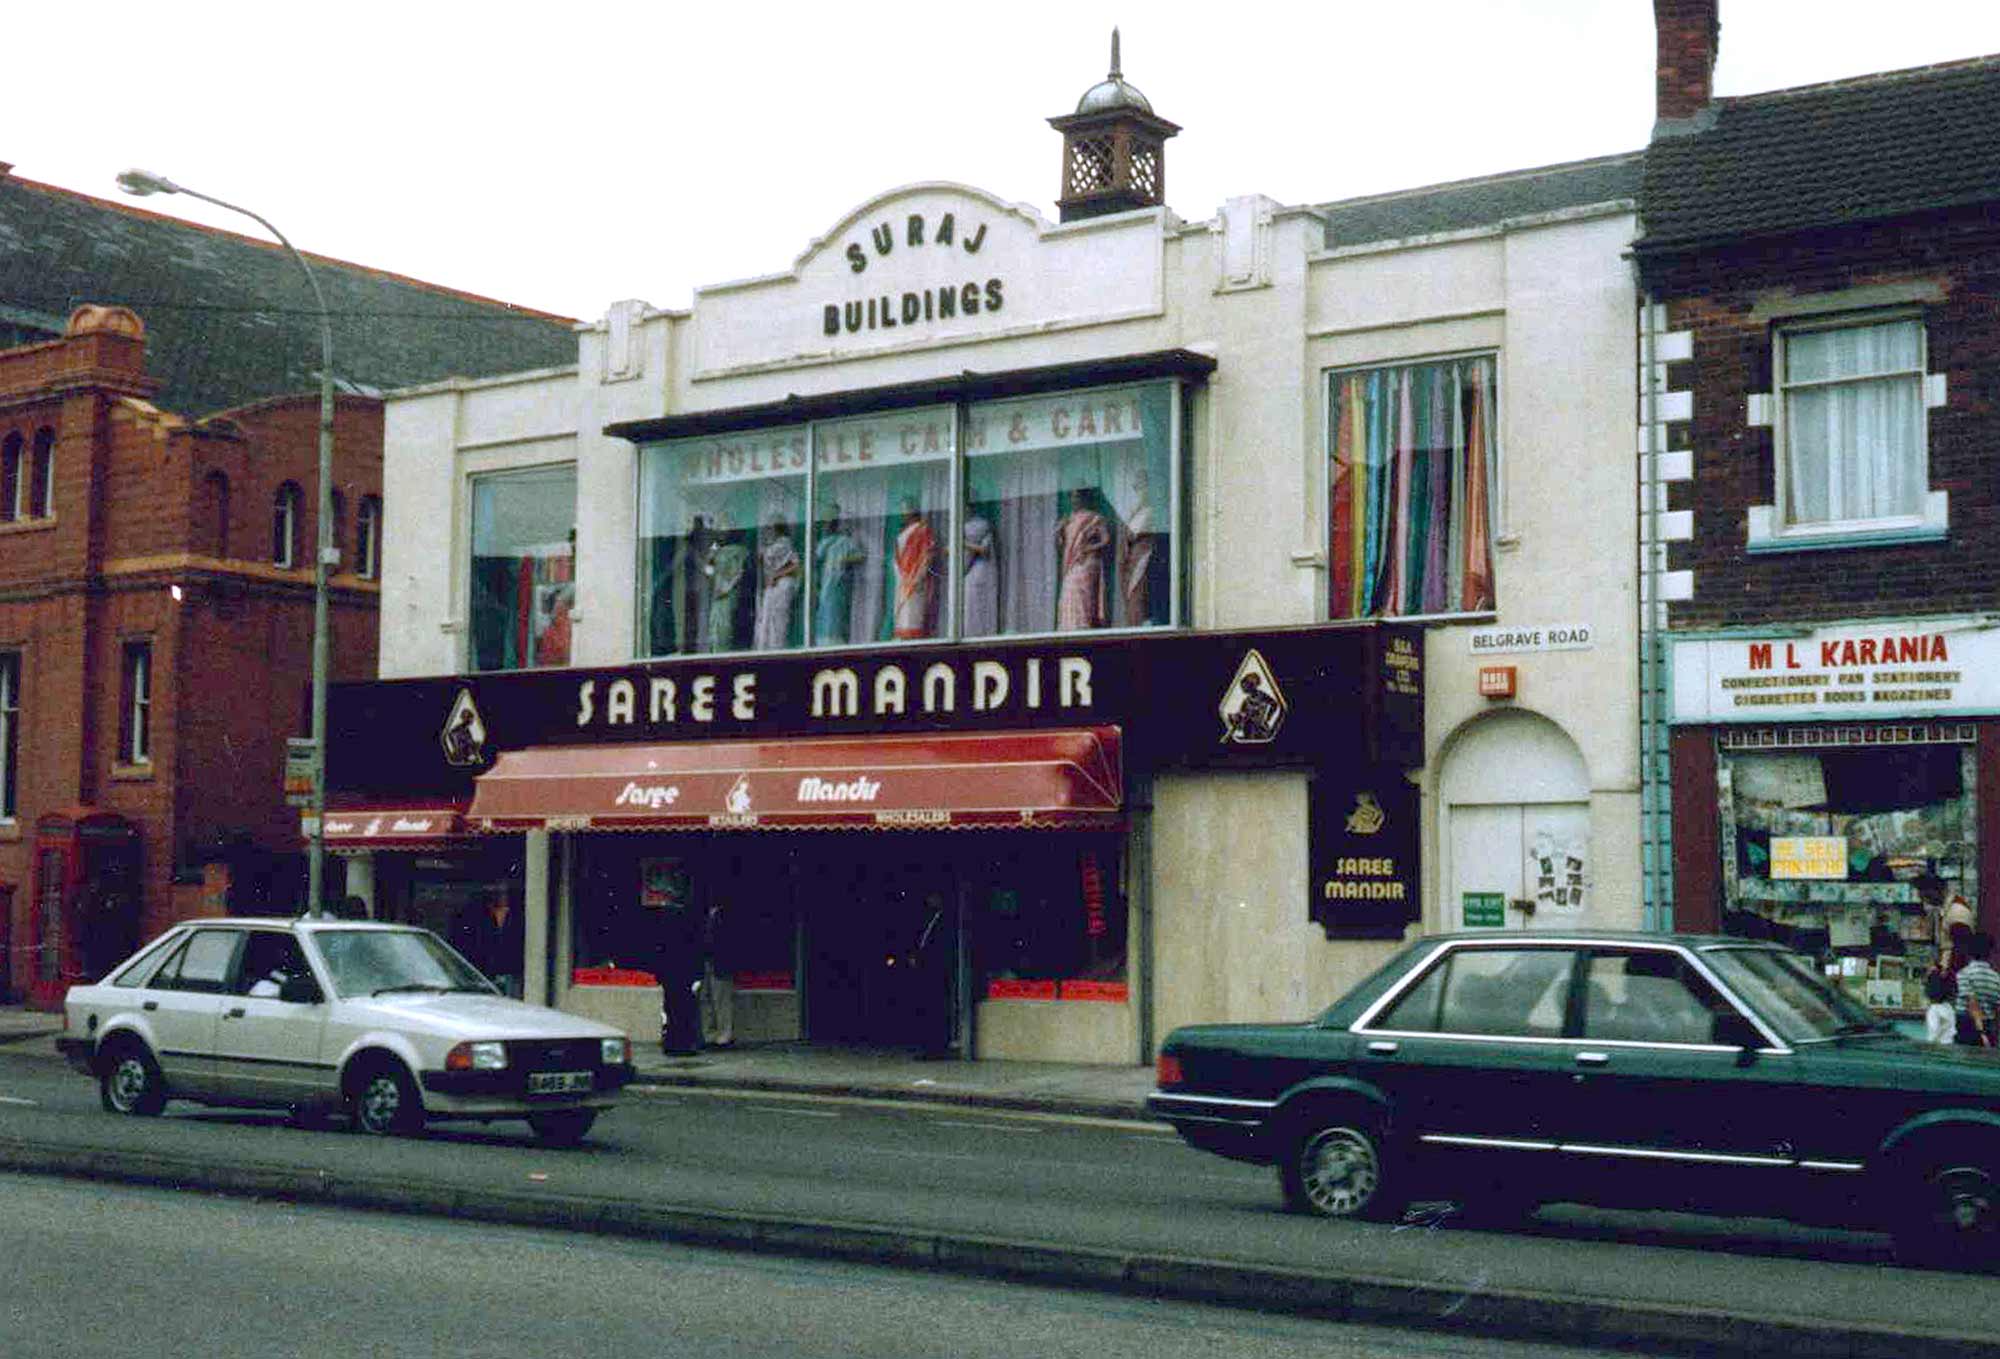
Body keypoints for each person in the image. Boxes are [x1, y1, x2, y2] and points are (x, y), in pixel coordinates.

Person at [651, 881, 707, 1056]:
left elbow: (660, 948)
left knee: (671, 1007)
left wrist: (659, 972)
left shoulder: (665, 918)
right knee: (685, 1007)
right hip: (683, 971)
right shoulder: (688, 918)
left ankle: (673, 1042)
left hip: (671, 971)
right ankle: (684, 1043)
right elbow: (696, 947)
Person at [455, 879, 524, 998]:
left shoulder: (516, 915)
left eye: (503, 892)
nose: (500, 895)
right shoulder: (478, 915)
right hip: (484, 971)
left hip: (510, 971)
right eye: (495, 891)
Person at [1055, 487, 1110, 631]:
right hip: (1071, 562)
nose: (1075, 500)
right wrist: (1059, 532)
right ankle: (1069, 625)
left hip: (1087, 561)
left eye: (1078, 497)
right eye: (1072, 497)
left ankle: (1083, 625)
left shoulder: (1094, 518)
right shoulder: (1068, 520)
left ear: (1084, 498)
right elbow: (1062, 545)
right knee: (1069, 590)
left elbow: (1106, 540)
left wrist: (1089, 548)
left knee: (1083, 592)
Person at [814, 507, 865, 644]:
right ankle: (824, 640)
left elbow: (860, 556)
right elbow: (815, 560)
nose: (826, 526)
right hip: (826, 582)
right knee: (825, 610)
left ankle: (835, 640)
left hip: (838, 581)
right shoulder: (824, 542)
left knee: (835, 610)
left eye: (828, 523)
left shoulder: (845, 540)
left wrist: (845, 560)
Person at [752, 518, 801, 650]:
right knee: (767, 619)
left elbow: (796, 565)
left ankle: (777, 648)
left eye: (770, 528)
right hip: (771, 587)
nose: (768, 532)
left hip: (783, 584)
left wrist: (777, 575)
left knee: (778, 620)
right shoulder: (770, 545)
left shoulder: (785, 543)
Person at [892, 498, 936, 640]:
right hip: (902, 577)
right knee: (903, 613)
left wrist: (918, 576)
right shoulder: (903, 532)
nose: (903, 513)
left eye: (906, 510)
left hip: (916, 579)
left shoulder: (922, 530)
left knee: (914, 613)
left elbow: (927, 554)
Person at [1954, 930, 2000, 1048]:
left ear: (1969, 952)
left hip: (1967, 1028)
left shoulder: (1964, 974)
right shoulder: (1996, 978)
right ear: (1990, 952)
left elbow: (1971, 1003)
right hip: (1990, 1028)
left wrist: (1981, 1032)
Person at [699, 900, 735, 1048]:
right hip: (706, 961)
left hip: (720, 962)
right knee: (706, 999)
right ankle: (710, 1034)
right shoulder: (704, 915)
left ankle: (724, 1034)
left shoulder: (726, 917)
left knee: (721, 1000)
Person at [962, 513, 998, 636]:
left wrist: (963, 543)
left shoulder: (982, 526)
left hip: (980, 572)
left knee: (976, 604)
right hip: (970, 572)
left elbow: (984, 549)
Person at [1924, 969, 1957, 1044]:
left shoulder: (1934, 1010)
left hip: (1938, 1048)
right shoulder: (1949, 1009)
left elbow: (1934, 1033)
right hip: (1948, 1045)